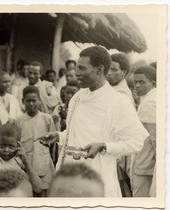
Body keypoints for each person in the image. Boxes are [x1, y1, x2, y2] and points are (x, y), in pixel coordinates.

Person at [40, 46, 149, 197]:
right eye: (77, 68)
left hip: (98, 177)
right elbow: (78, 133)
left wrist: (104, 146)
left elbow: (137, 141)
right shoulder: (77, 97)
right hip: (68, 175)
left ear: (99, 69)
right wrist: (60, 137)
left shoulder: (118, 101)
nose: (77, 73)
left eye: (82, 68)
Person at [16, 86, 56, 196]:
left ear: (39, 101)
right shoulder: (19, 121)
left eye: (34, 100)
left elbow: (53, 143)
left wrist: (52, 158)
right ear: (23, 101)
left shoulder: (47, 119)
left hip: (44, 162)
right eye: (28, 101)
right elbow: (17, 143)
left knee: (44, 193)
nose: (31, 104)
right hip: (25, 164)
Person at [0, 124, 46, 195]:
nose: (6, 150)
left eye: (11, 146)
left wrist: (26, 162)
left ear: (18, 145)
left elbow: (38, 188)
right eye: (2, 145)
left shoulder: (21, 164)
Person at [107, 53, 135, 197]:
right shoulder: (111, 90)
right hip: (112, 146)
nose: (109, 73)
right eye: (108, 69)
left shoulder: (122, 93)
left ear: (123, 73)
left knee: (122, 187)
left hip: (120, 148)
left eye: (114, 70)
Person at [131, 65, 156, 197]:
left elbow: (156, 140)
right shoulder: (147, 99)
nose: (137, 86)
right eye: (135, 82)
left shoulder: (150, 103)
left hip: (146, 167)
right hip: (144, 164)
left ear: (153, 83)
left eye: (142, 82)